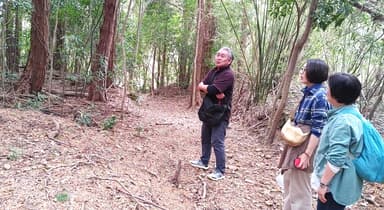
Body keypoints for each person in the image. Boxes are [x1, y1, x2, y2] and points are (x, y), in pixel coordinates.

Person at [278, 59, 331, 209]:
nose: (301, 72)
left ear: (314, 72)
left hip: (306, 145)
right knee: (289, 181)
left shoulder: (320, 96)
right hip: (297, 142)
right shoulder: (309, 93)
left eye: (305, 69)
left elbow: (318, 129)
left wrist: (307, 154)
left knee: (300, 188)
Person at [313, 73, 364, 210]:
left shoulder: (342, 122)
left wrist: (323, 185)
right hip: (340, 182)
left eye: (328, 87)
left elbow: (336, 158)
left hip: (334, 186)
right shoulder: (351, 113)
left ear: (337, 94)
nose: (325, 89)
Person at [190, 47, 235, 181]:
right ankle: (204, 161)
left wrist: (209, 89)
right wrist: (208, 89)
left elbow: (214, 88)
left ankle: (220, 170)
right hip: (209, 110)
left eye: (222, 56)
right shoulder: (214, 71)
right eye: (218, 55)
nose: (219, 57)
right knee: (205, 137)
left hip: (221, 113)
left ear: (229, 60)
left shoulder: (228, 74)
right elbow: (203, 86)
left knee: (217, 141)